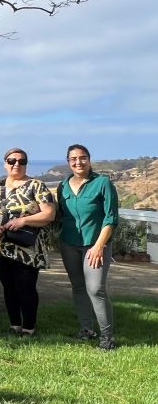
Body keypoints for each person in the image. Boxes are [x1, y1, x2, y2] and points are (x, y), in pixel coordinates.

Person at [0, 148, 56, 337]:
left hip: (26, 248)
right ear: (5, 164)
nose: (16, 164)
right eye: (12, 161)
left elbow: (49, 213)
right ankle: (14, 324)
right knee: (8, 287)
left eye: (22, 161)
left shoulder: (36, 186)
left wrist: (23, 220)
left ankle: (29, 327)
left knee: (26, 287)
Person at [57, 144, 119, 350]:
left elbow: (111, 218)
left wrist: (99, 245)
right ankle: (86, 330)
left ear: (89, 159)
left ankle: (107, 338)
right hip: (69, 244)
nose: (78, 162)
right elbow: (61, 216)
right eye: (73, 159)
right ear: (68, 162)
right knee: (78, 287)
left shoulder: (102, 183)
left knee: (96, 289)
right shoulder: (63, 186)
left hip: (95, 245)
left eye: (82, 157)